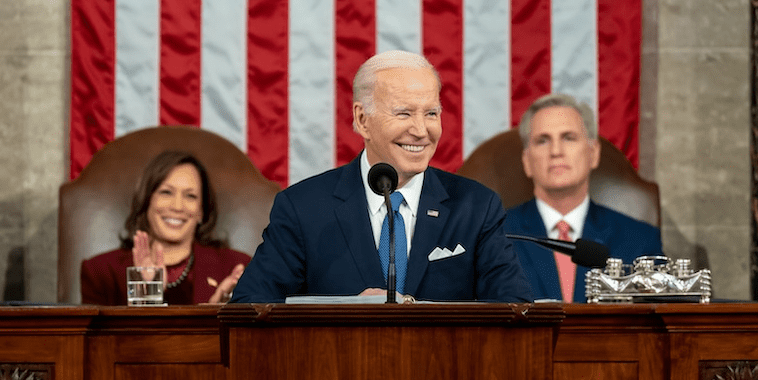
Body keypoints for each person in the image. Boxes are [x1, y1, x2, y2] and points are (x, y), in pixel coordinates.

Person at [232, 50, 532, 303]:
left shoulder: (476, 207)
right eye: (404, 113)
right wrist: (344, 315)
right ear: (363, 120)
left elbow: (515, 310)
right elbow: (250, 309)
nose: (420, 130)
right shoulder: (303, 208)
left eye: (431, 113)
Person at [505, 94, 663, 303]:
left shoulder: (640, 241)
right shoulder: (495, 236)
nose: (556, 151)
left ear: (593, 153)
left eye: (568, 138)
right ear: (526, 160)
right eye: (543, 140)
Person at [81, 151, 251, 305]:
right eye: (166, 192)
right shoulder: (100, 272)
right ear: (147, 201)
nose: (177, 206)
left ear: (201, 211)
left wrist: (219, 317)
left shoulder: (238, 267)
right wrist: (146, 297)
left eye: (190, 196)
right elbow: (97, 340)